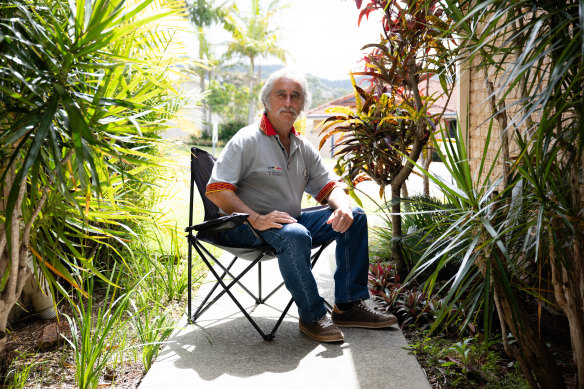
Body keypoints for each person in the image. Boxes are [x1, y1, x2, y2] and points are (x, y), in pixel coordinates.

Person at [205, 68, 397, 342]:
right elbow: (217, 190)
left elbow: (328, 186)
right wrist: (256, 218)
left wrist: (342, 206)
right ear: (266, 101)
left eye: (295, 96)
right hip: (243, 225)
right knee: (295, 235)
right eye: (281, 94)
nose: (288, 102)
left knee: (355, 215)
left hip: (288, 222)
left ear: (301, 105)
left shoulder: (302, 145)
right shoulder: (246, 140)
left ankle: (348, 305)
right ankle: (313, 316)